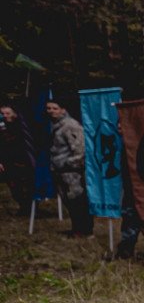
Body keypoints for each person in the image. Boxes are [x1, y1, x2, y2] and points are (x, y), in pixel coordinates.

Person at [44, 99, 90, 238]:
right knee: (69, 203)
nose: (51, 111)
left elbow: (81, 149)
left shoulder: (70, 125)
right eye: (48, 108)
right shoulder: (55, 126)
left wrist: (69, 163)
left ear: (63, 110)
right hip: (60, 171)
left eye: (55, 108)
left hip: (72, 172)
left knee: (78, 201)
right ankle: (76, 228)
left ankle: (85, 230)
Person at [0, 102, 36, 215]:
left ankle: (30, 208)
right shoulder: (1, 127)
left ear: (14, 114)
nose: (5, 115)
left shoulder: (23, 126)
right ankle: (23, 206)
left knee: (28, 186)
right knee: (14, 187)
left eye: (7, 113)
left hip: (24, 160)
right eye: (2, 113)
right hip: (8, 162)